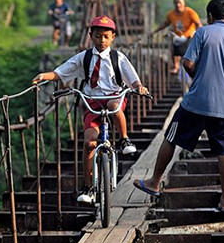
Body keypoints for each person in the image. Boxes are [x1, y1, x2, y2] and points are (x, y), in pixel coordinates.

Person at [134, 0, 224, 211]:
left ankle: (155, 182)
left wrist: (199, 77)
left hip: (196, 103)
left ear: (210, 16)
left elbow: (187, 62)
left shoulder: (203, 33)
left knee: (171, 136)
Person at [33, 15, 149, 204]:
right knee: (89, 143)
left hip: (113, 97)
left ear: (113, 37)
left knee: (114, 106)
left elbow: (133, 78)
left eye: (105, 36)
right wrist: (44, 76)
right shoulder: (84, 58)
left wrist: (139, 87)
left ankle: (124, 139)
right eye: (97, 36)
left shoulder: (117, 57)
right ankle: (89, 187)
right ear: (90, 36)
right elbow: (62, 71)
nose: (101, 40)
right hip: (92, 101)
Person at [151, 0, 202, 74]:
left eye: (180, 3)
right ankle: (176, 66)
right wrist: (154, 32)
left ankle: (191, 66)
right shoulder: (171, 14)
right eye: (176, 3)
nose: (178, 5)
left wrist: (200, 34)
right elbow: (165, 24)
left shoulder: (190, 12)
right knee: (174, 43)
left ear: (183, 3)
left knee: (187, 51)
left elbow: (198, 24)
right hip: (177, 38)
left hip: (188, 37)